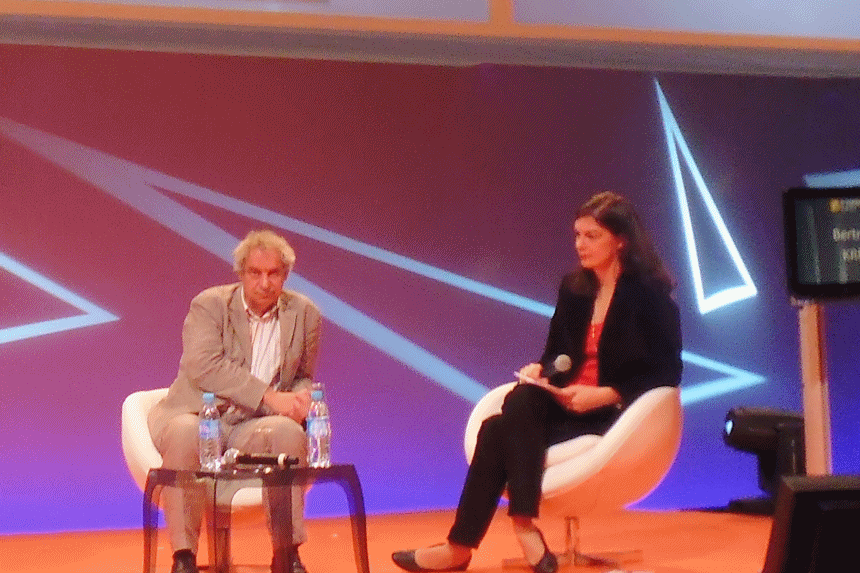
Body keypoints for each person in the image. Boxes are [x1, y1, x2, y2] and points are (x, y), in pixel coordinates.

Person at [391, 192, 683, 573]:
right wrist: (541, 372)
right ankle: (522, 526)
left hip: (616, 415)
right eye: (577, 235)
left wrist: (605, 394)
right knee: (522, 397)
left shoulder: (649, 296)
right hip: (565, 405)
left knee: (496, 430)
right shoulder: (574, 289)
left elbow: (667, 371)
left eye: (592, 236)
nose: (580, 244)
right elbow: (557, 355)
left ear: (621, 240)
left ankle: (464, 546)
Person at [148, 229, 322, 573]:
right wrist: (269, 396)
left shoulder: (305, 313)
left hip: (253, 425)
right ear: (241, 273)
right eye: (255, 273)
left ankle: (286, 553)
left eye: (273, 274)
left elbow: (302, 373)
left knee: (288, 433)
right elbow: (204, 365)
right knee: (184, 432)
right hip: (199, 414)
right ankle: (183, 557)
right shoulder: (210, 305)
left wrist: (300, 398)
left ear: (286, 275)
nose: (264, 283)